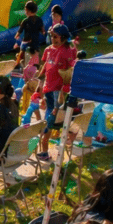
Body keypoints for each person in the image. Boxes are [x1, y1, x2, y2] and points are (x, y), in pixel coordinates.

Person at [37, 24, 78, 157]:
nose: (53, 39)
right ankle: (51, 138)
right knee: (50, 115)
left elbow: (73, 68)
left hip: (59, 91)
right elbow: (45, 64)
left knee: (51, 119)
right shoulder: (48, 50)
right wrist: (40, 77)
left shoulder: (67, 51)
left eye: (56, 37)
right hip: (48, 88)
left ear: (64, 38)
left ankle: (44, 149)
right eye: (51, 36)